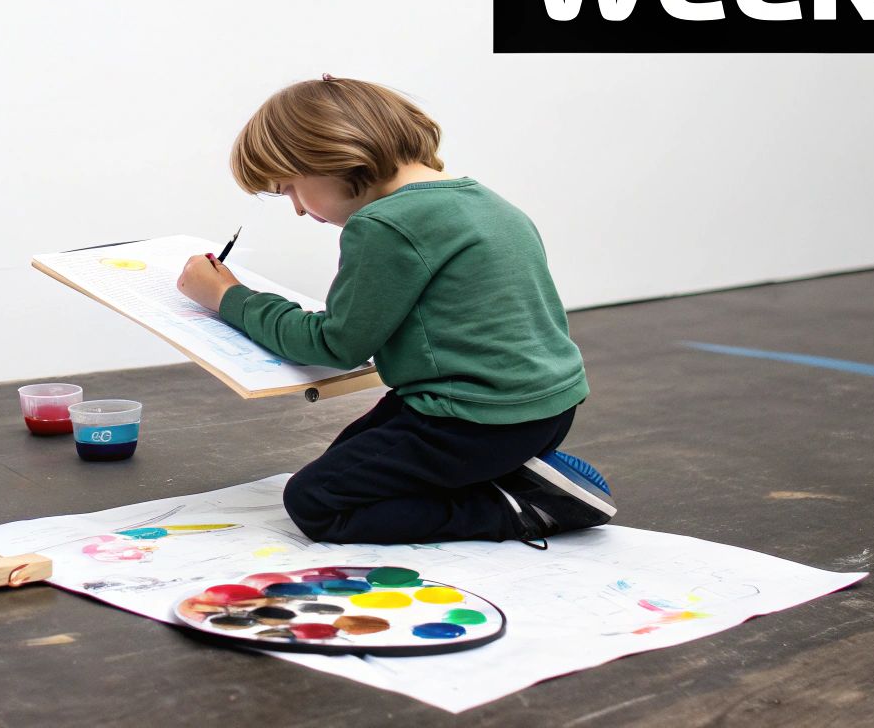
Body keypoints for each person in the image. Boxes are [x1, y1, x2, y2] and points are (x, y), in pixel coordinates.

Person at [175, 75, 614, 548]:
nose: (298, 209)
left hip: (473, 422)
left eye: (289, 189)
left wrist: (227, 297)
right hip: (544, 410)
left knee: (316, 500)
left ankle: (519, 508)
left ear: (328, 154)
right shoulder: (487, 202)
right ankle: (510, 469)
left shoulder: (384, 225)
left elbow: (334, 345)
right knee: (350, 463)